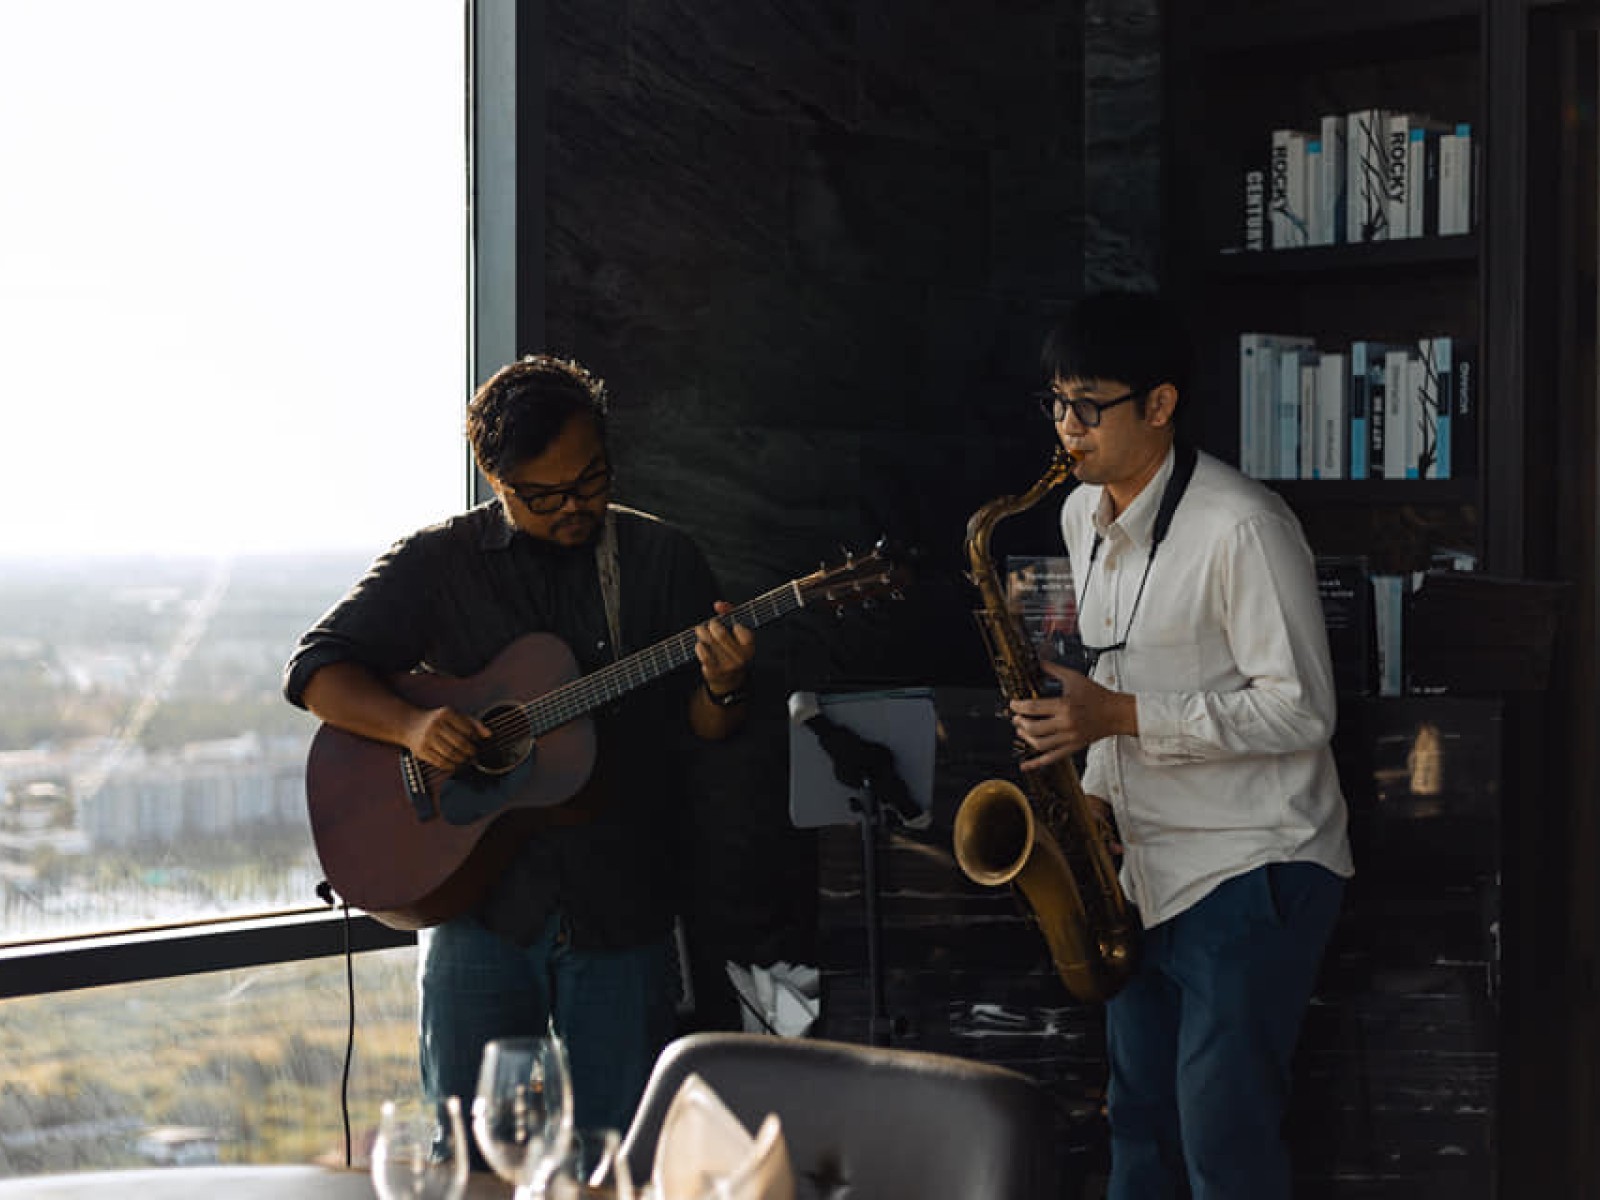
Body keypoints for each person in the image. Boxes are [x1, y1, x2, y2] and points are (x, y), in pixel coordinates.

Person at [283, 354, 755, 1135]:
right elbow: (315, 672)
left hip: (623, 901)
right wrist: (412, 727)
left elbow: (707, 729)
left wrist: (725, 685)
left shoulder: (661, 558)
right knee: (471, 1150)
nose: (575, 505)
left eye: (591, 479)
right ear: (496, 481)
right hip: (478, 905)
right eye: (544, 495)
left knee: (623, 1152)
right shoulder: (438, 562)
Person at [1009, 290, 1354, 1199]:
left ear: (1160, 404)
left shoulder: (1244, 526)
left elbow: (1302, 711)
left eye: (1090, 405)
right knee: (1140, 1133)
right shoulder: (1079, 517)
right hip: (1141, 870)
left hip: (1252, 865)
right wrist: (1093, 788)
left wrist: (1121, 718)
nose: (1067, 428)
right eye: (1056, 402)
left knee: (1222, 1143)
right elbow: (1109, 678)